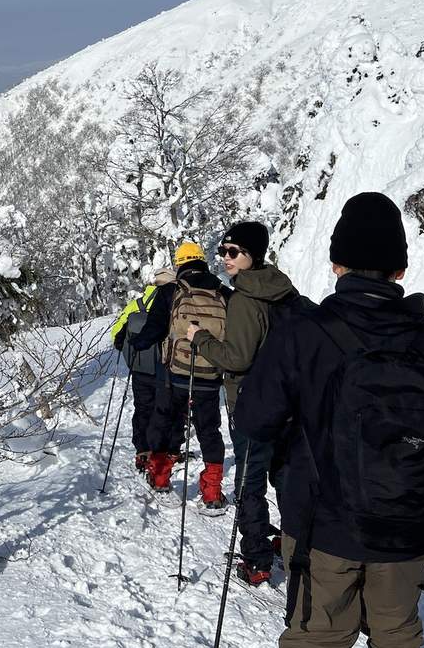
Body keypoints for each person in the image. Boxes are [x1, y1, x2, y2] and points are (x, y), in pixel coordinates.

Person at [236, 192, 424, 648]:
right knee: (396, 635)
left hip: (322, 528)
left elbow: (254, 422)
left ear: (336, 263)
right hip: (407, 534)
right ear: (399, 272)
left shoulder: (302, 334)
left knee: (315, 640)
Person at [185, 220, 303, 585]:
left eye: (233, 252)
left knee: (250, 482)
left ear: (252, 255)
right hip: (290, 404)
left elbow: (236, 359)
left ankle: (257, 559)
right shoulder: (284, 291)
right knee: (285, 478)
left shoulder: (245, 300)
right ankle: (293, 545)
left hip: (252, 404)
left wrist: (200, 338)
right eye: (222, 251)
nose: (226, 258)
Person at [132, 241, 231, 512]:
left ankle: (160, 477)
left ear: (179, 264)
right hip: (210, 374)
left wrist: (137, 344)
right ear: (202, 260)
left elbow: (153, 330)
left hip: (174, 373)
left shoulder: (170, 291)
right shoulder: (222, 291)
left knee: (164, 420)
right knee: (209, 430)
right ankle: (211, 491)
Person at [111, 269, 176, 471]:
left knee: (143, 408)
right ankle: (168, 451)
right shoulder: (175, 303)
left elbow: (116, 336)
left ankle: (142, 451)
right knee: (167, 409)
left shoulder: (136, 305)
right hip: (166, 368)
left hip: (139, 367)